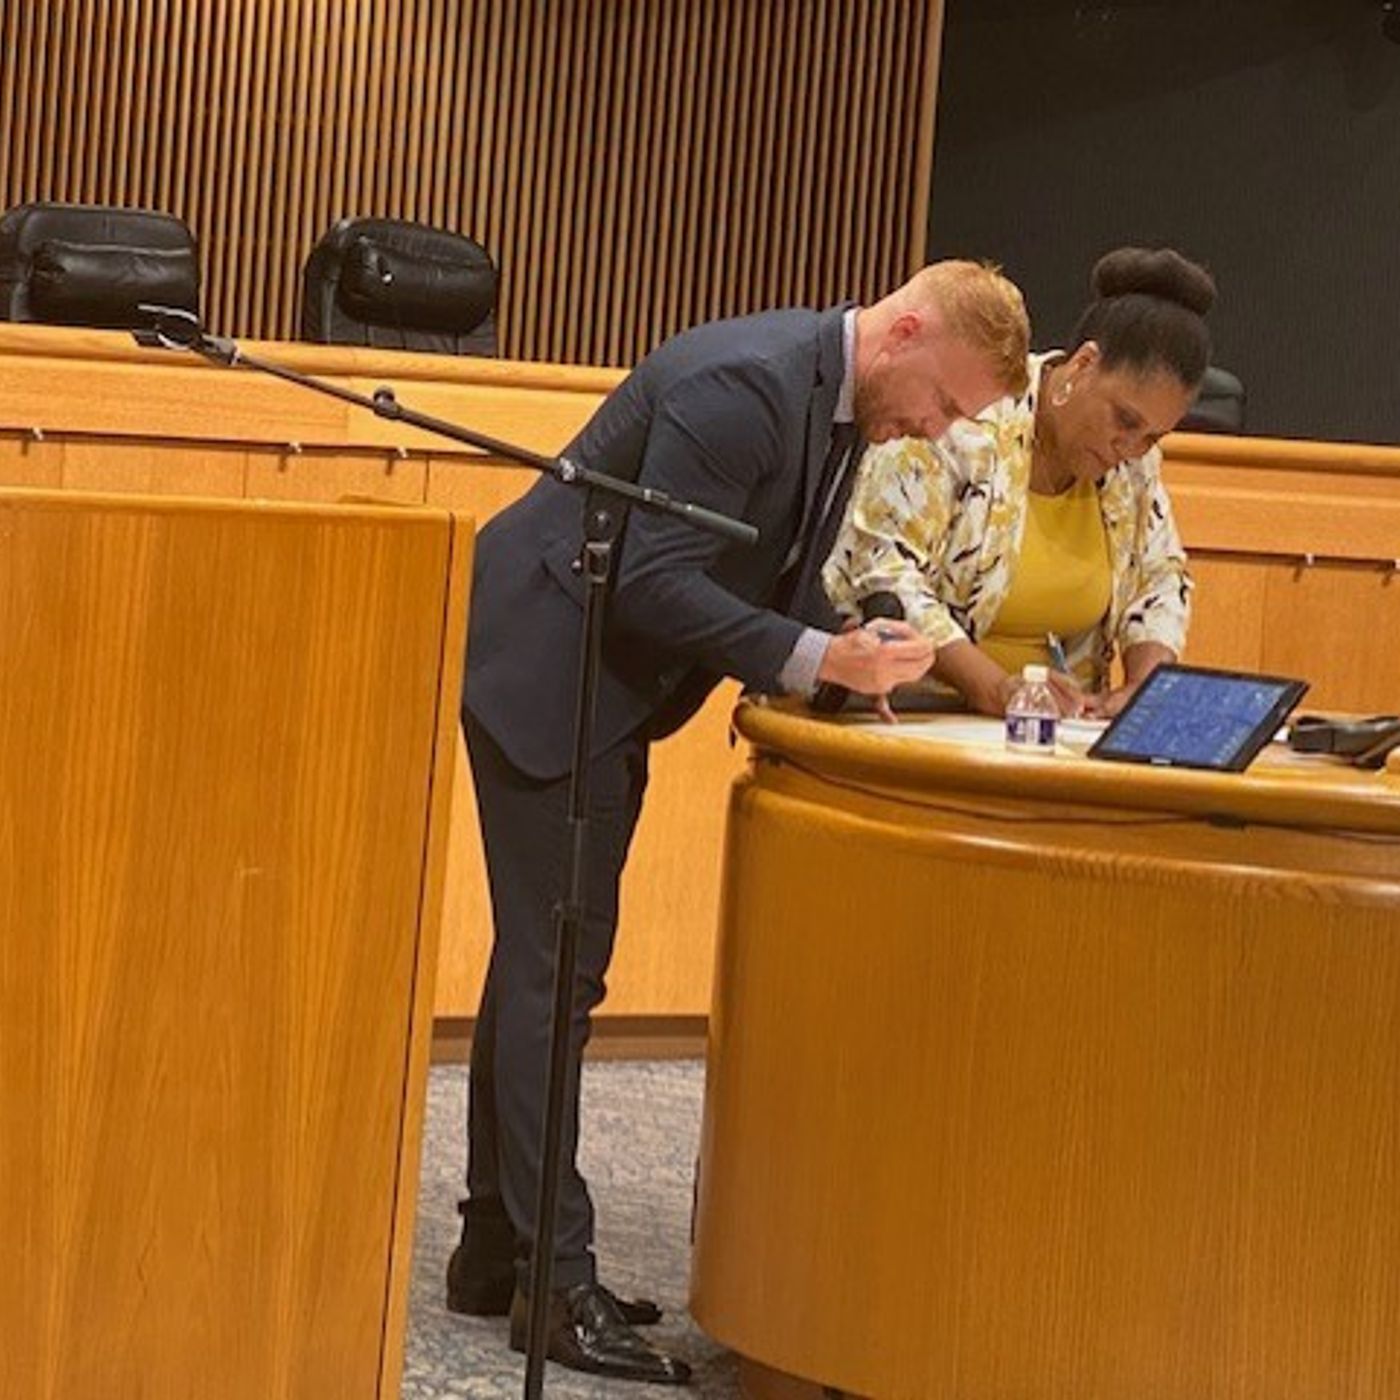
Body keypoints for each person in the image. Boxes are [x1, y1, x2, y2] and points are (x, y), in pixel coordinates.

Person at [446, 262, 1030, 1383]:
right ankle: (554, 1287)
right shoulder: (751, 386)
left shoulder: (837, 397)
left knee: (543, 966)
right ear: (904, 330)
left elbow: (763, 565)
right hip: (544, 666)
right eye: (947, 402)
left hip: (598, 679)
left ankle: (496, 1247)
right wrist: (816, 656)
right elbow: (654, 580)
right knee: (554, 973)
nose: (938, 428)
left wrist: (849, 643)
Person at [824, 247, 1210, 720]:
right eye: (1124, 420)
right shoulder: (965, 411)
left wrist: (1143, 689)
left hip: (1053, 734)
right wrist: (995, 689)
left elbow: (1160, 579)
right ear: (1084, 364)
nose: (1128, 447)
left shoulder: (1134, 467)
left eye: (1152, 435)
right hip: (913, 710)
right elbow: (882, 570)